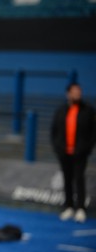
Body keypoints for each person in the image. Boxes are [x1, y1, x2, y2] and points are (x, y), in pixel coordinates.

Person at [51, 82, 96, 223]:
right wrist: (59, 149)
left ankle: (81, 208)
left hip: (80, 153)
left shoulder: (88, 110)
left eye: (79, 91)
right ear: (68, 94)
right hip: (64, 154)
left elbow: (93, 132)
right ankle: (69, 207)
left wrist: (86, 149)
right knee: (67, 180)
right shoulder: (61, 111)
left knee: (79, 179)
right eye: (75, 91)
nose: (78, 94)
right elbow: (54, 132)